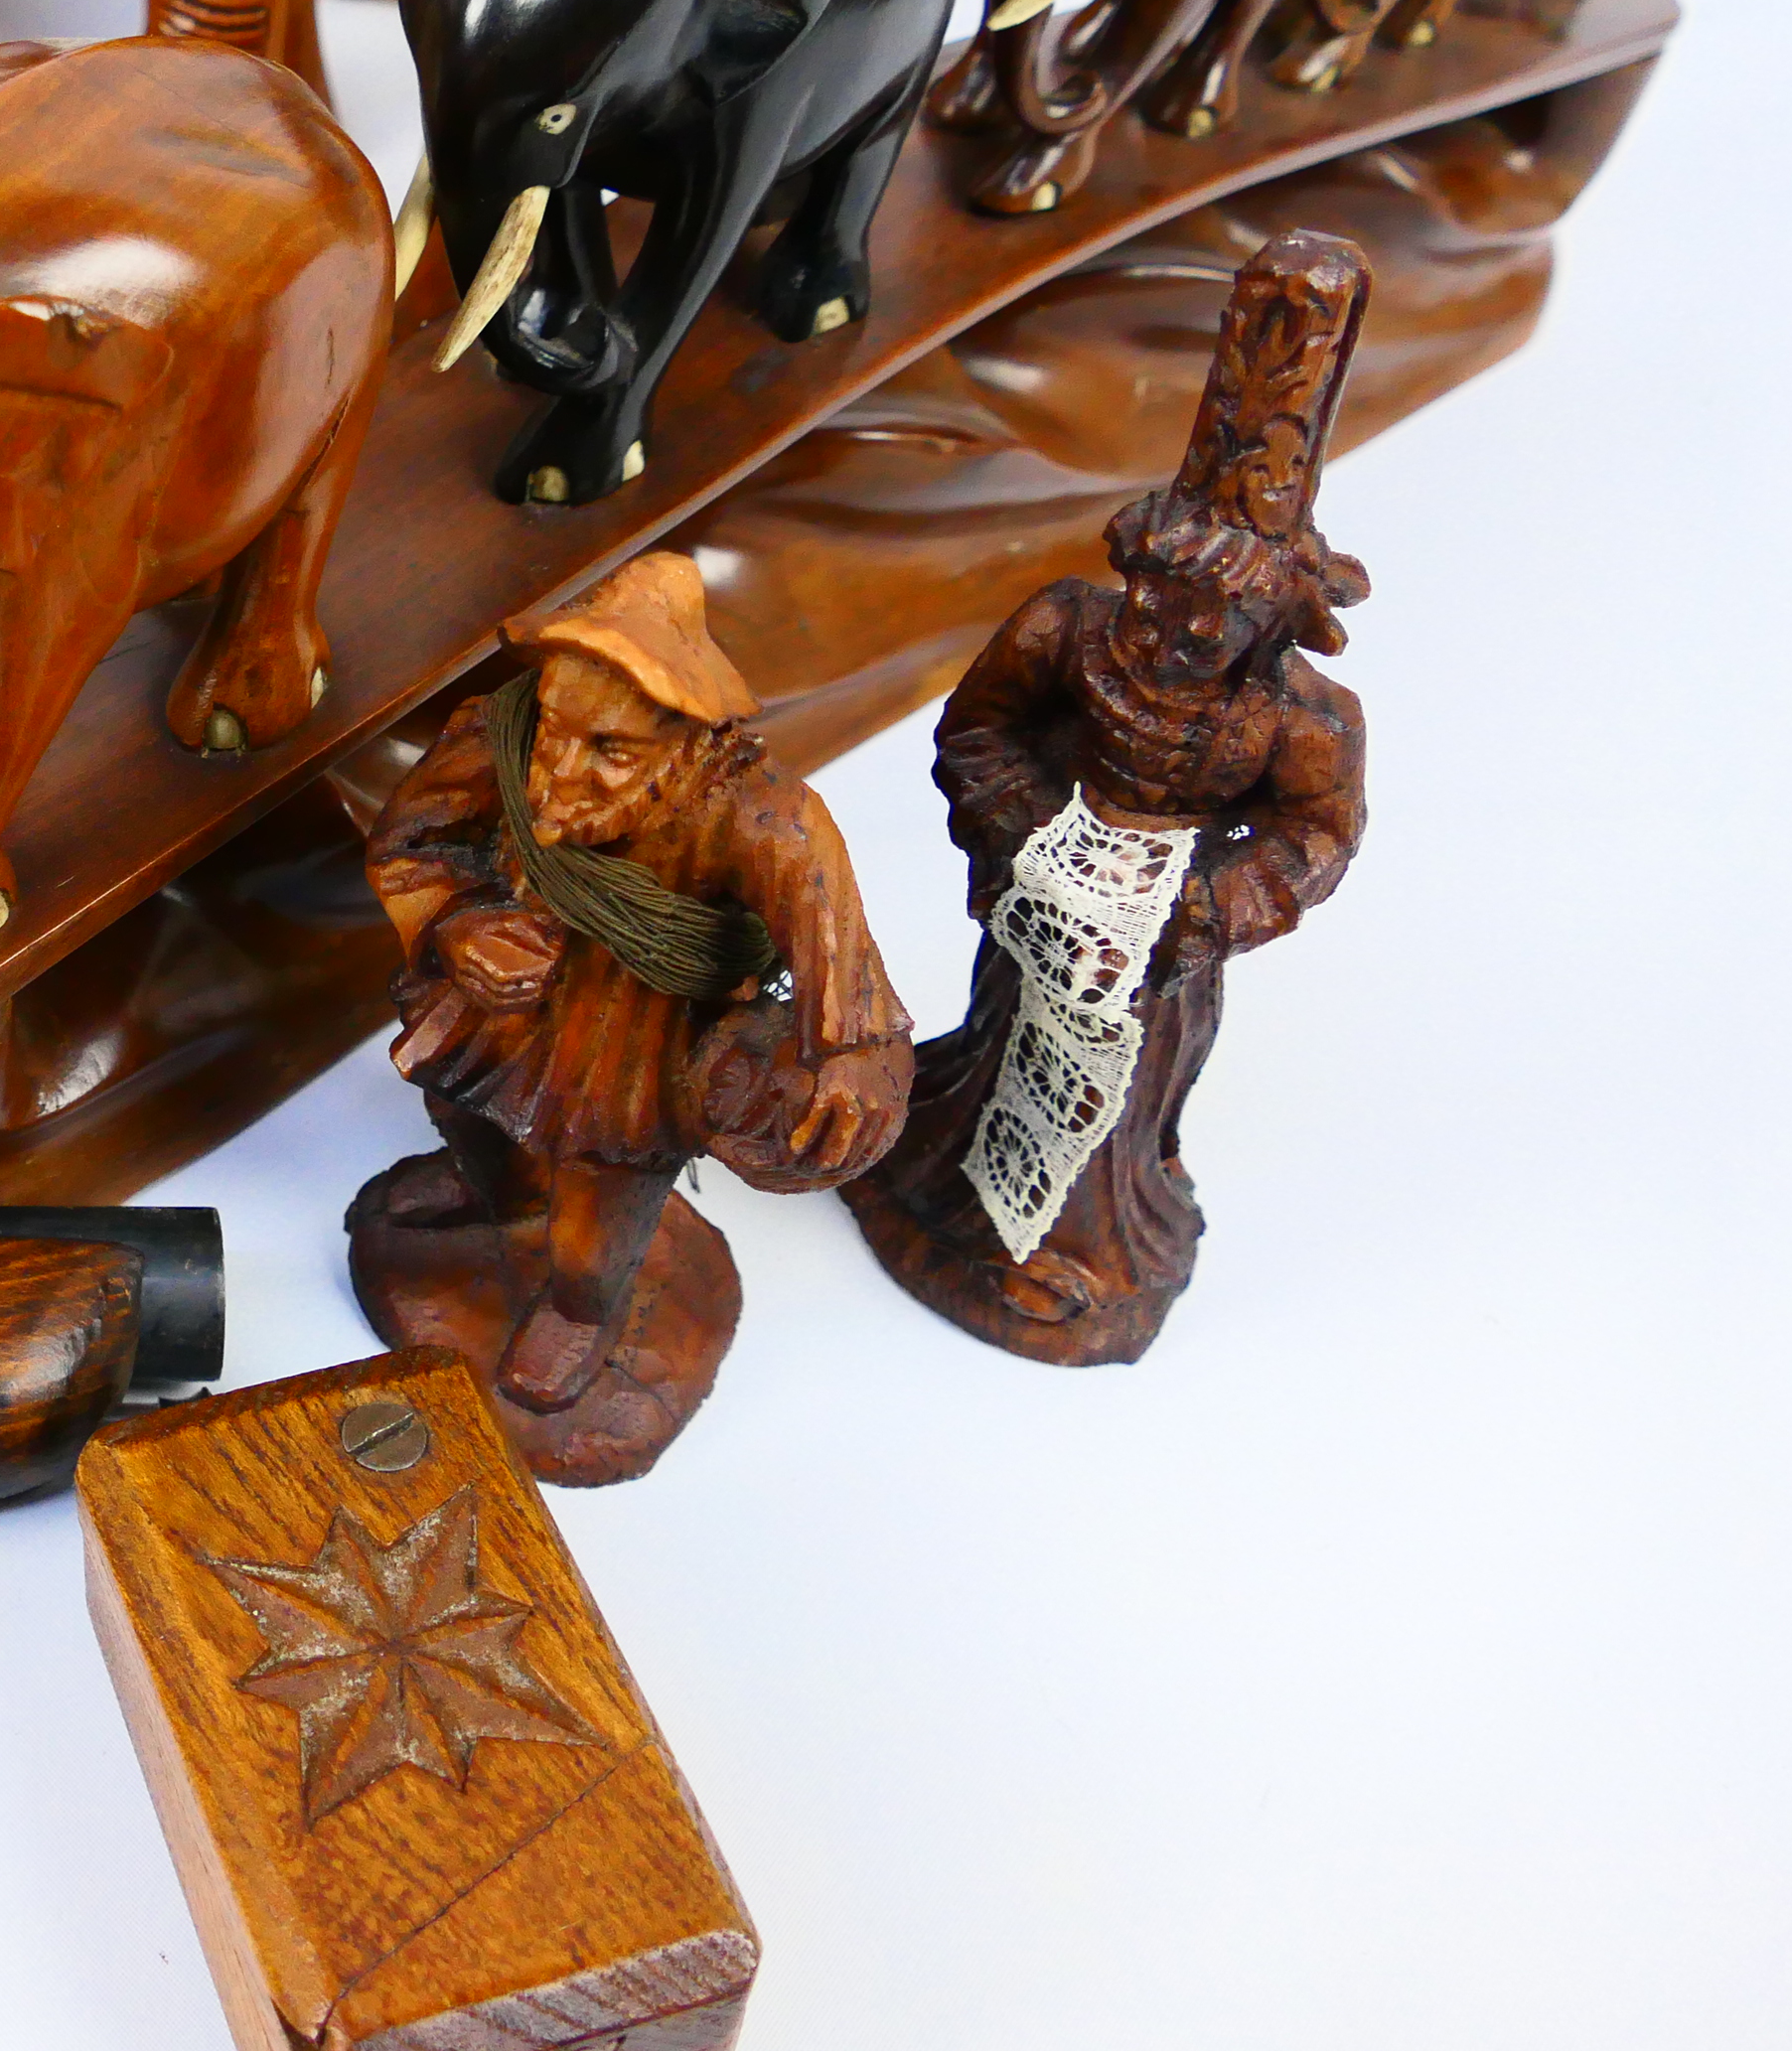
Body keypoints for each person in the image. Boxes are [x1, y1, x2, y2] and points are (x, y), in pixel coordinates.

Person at [841, 229, 1372, 1364]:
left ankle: (1070, 1243)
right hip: (1044, 895)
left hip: (1162, 947)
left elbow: (1313, 838)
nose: (1170, 640)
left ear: (1264, 628)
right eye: (1155, 605)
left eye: (1209, 624)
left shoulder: (1296, 717)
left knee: (1115, 1097)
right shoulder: (1065, 629)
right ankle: (951, 1195)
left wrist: (1203, 909)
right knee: (997, 1048)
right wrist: (1025, 839)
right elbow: (977, 729)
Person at [352, 550, 909, 1484]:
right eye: (557, 734)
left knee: (599, 1199)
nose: (559, 773)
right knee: (460, 1107)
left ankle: (579, 1309)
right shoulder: (498, 734)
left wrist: (845, 1074)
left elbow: (845, 985)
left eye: (612, 751)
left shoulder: (764, 819)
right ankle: (496, 1193)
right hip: (501, 998)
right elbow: (414, 844)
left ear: (689, 735)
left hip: (637, 1038)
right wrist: (457, 926)